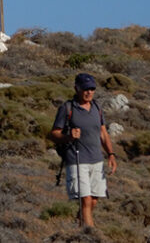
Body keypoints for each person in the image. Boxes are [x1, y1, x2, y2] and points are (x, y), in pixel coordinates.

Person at [49, 73, 117, 229]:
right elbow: (53, 134)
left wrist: (111, 154)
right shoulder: (67, 108)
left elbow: (103, 133)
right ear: (76, 88)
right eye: (85, 89)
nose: (89, 92)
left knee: (93, 200)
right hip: (77, 159)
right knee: (85, 200)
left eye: (92, 89)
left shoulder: (97, 107)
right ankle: (90, 234)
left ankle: (80, 223)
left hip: (97, 160)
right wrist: (68, 136)